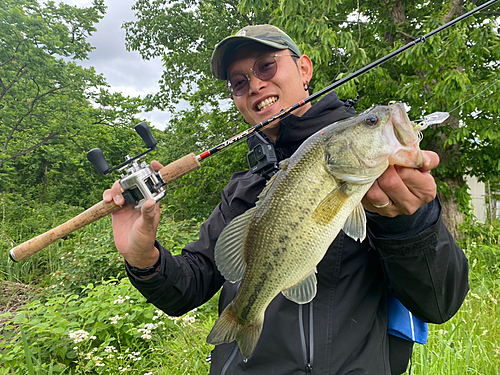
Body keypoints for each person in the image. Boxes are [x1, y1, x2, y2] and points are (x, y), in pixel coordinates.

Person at [103, 24, 469, 374]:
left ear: (304, 68)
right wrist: (142, 257)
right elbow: (187, 286)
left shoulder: (383, 179)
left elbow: (439, 303)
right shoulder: (241, 191)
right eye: (239, 83)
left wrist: (409, 223)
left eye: (267, 66)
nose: (256, 85)